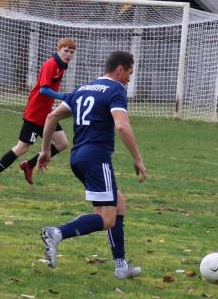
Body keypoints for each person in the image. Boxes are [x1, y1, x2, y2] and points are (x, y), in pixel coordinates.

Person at [36, 50, 146, 279]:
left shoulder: (83, 88)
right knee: (107, 218)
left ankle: (121, 266)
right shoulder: (116, 90)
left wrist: (45, 150)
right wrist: (137, 158)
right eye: (129, 73)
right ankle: (57, 233)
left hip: (78, 159)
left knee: (119, 204)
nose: (129, 78)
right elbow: (122, 126)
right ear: (119, 69)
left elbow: (51, 117)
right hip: (97, 159)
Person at [0, 38, 76, 189]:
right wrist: (64, 97)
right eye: (66, 51)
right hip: (35, 114)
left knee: (62, 143)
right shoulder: (50, 64)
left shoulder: (62, 66)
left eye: (71, 52)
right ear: (58, 49)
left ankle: (29, 165)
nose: (69, 54)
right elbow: (43, 89)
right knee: (22, 148)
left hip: (47, 115)